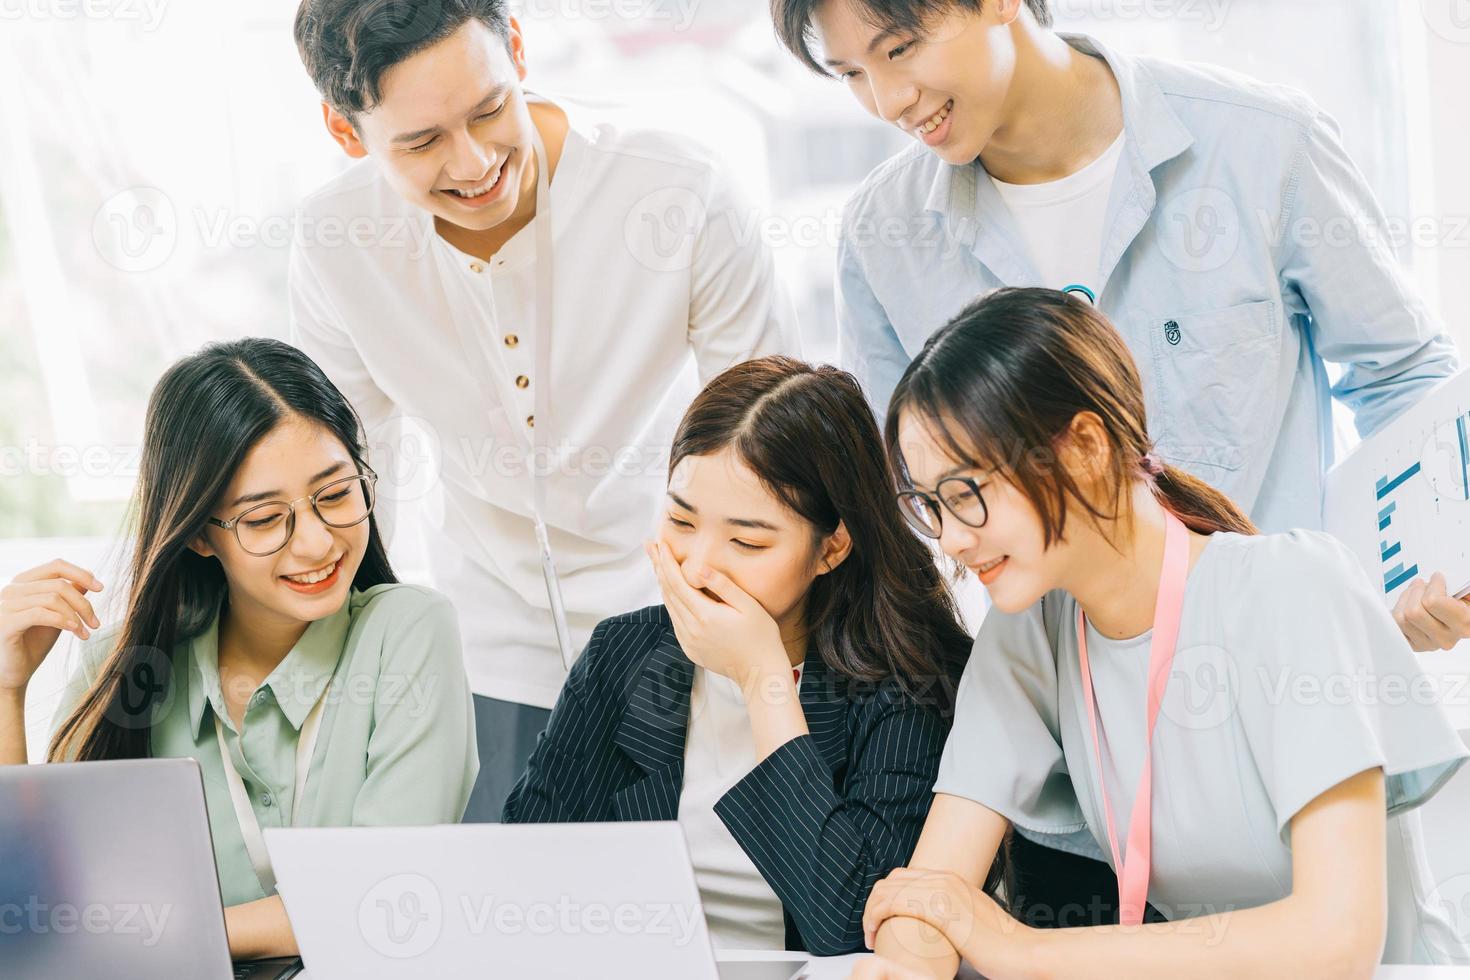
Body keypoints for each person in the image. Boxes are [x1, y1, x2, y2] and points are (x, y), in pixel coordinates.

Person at [770, 0, 1470, 653]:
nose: (888, 101)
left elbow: (1404, 377)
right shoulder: (882, 236)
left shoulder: (1263, 144)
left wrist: (1419, 571)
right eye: (852, 74)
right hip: (1068, 732)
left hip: (1288, 670)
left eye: (900, 49)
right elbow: (901, 507)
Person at [851, 288, 1468, 978]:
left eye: (965, 494)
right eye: (928, 505)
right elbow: (936, 891)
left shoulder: (1292, 589)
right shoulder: (1029, 628)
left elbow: (1339, 937)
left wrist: (1022, 949)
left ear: (1084, 447)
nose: (951, 540)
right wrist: (909, 954)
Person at [289, 0, 799, 822]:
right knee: (514, 919)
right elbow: (347, 471)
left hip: (686, 622)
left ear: (517, 49)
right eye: (421, 142)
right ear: (346, 133)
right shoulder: (333, 243)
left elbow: (775, 440)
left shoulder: (676, 191)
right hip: (488, 648)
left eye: (490, 110)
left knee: (699, 918)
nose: (476, 162)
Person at [0, 339, 478, 961]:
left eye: (335, 495)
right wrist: (7, 690)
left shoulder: (408, 632)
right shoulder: (125, 667)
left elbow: (386, 896)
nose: (315, 543)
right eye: (263, 519)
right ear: (199, 533)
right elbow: (35, 911)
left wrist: (166, 934)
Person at [503, 356, 978, 954]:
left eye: (746, 541)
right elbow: (521, 881)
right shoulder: (622, 655)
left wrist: (763, 681)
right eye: (680, 519)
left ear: (831, 548)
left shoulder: (907, 685)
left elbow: (853, 932)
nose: (697, 568)